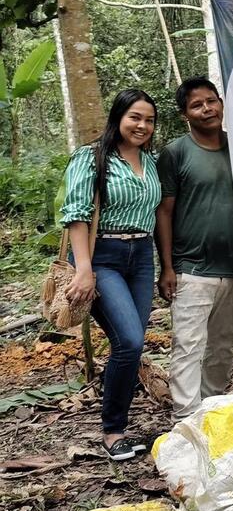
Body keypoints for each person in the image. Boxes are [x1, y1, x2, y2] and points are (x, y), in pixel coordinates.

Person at [61, 89, 162, 461]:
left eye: (149, 120)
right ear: (119, 117)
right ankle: (112, 431)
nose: (142, 125)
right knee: (131, 341)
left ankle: (119, 423)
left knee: (130, 346)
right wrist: (84, 269)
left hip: (141, 257)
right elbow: (77, 214)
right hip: (102, 255)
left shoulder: (150, 162)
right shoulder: (91, 157)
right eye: (135, 117)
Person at [155, 77, 233, 421]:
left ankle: (210, 412)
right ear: (185, 115)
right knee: (189, 345)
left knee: (222, 346)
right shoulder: (176, 152)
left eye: (211, 101)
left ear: (222, 103)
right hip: (192, 268)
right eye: (197, 105)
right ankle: (185, 419)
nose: (206, 109)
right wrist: (167, 266)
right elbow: (163, 211)